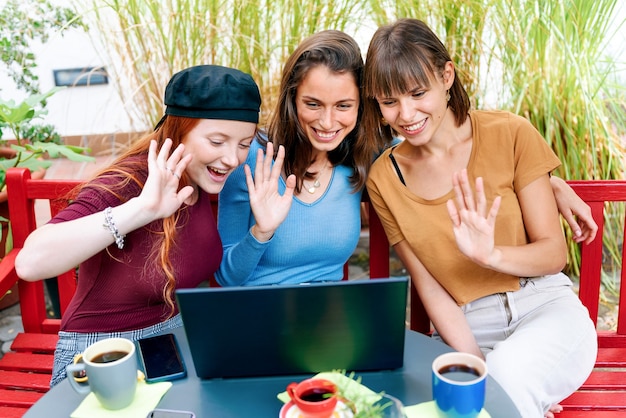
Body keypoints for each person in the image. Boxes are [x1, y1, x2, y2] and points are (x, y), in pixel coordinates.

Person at [362, 19, 597, 418]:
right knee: (482, 396)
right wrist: (476, 369)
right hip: (466, 329)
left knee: (506, 379)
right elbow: (431, 287)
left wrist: (492, 255)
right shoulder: (385, 177)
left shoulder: (510, 133)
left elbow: (554, 254)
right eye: (389, 101)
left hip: (545, 308)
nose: (406, 114)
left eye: (418, 93)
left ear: (446, 76)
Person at [14, 64, 279, 386]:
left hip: (170, 344)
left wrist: (261, 231)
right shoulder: (129, 181)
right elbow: (30, 263)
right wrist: (142, 209)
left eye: (243, 144)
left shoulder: (200, 177)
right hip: (104, 354)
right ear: (177, 132)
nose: (233, 159)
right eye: (217, 141)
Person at [215, 30, 370, 286]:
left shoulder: (360, 157)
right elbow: (227, 277)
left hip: (328, 317)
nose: (328, 122)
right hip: (262, 314)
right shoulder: (252, 158)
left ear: (360, 105)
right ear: (292, 100)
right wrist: (261, 232)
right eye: (313, 104)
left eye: (343, 105)